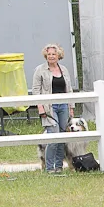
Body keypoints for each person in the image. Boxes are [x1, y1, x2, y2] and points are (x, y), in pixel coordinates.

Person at [32, 43, 74, 173]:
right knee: (53, 136)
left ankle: (59, 166)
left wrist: (71, 107)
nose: (51, 56)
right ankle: (50, 167)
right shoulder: (40, 70)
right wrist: (40, 108)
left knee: (62, 137)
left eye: (53, 54)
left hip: (63, 106)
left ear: (58, 55)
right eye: (49, 54)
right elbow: (36, 90)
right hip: (49, 107)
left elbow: (69, 89)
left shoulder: (64, 70)